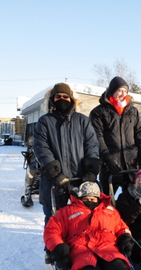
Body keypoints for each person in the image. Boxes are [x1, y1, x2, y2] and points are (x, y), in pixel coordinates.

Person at [43, 181, 141, 270]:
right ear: (80, 198)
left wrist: (125, 237)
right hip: (81, 250)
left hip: (108, 248)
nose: (90, 201)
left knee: (117, 268)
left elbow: (121, 226)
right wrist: (59, 248)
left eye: (93, 199)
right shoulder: (67, 211)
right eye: (86, 198)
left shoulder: (110, 210)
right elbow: (51, 231)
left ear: (98, 198)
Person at [33, 82, 101, 227]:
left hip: (80, 180)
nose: (62, 99)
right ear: (52, 99)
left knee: (80, 219)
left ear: (71, 99)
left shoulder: (82, 120)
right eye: (58, 96)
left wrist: (90, 171)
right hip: (54, 182)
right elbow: (41, 148)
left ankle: (77, 248)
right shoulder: (45, 121)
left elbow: (92, 145)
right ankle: (53, 248)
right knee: (54, 220)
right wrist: (55, 174)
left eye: (65, 96)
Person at [90, 76, 141, 195]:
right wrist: (108, 160)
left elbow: (140, 134)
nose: (123, 94)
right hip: (110, 166)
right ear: (112, 91)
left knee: (133, 200)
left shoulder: (133, 111)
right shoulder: (99, 112)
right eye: (120, 90)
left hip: (131, 165)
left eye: (126, 91)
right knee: (107, 201)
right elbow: (97, 139)